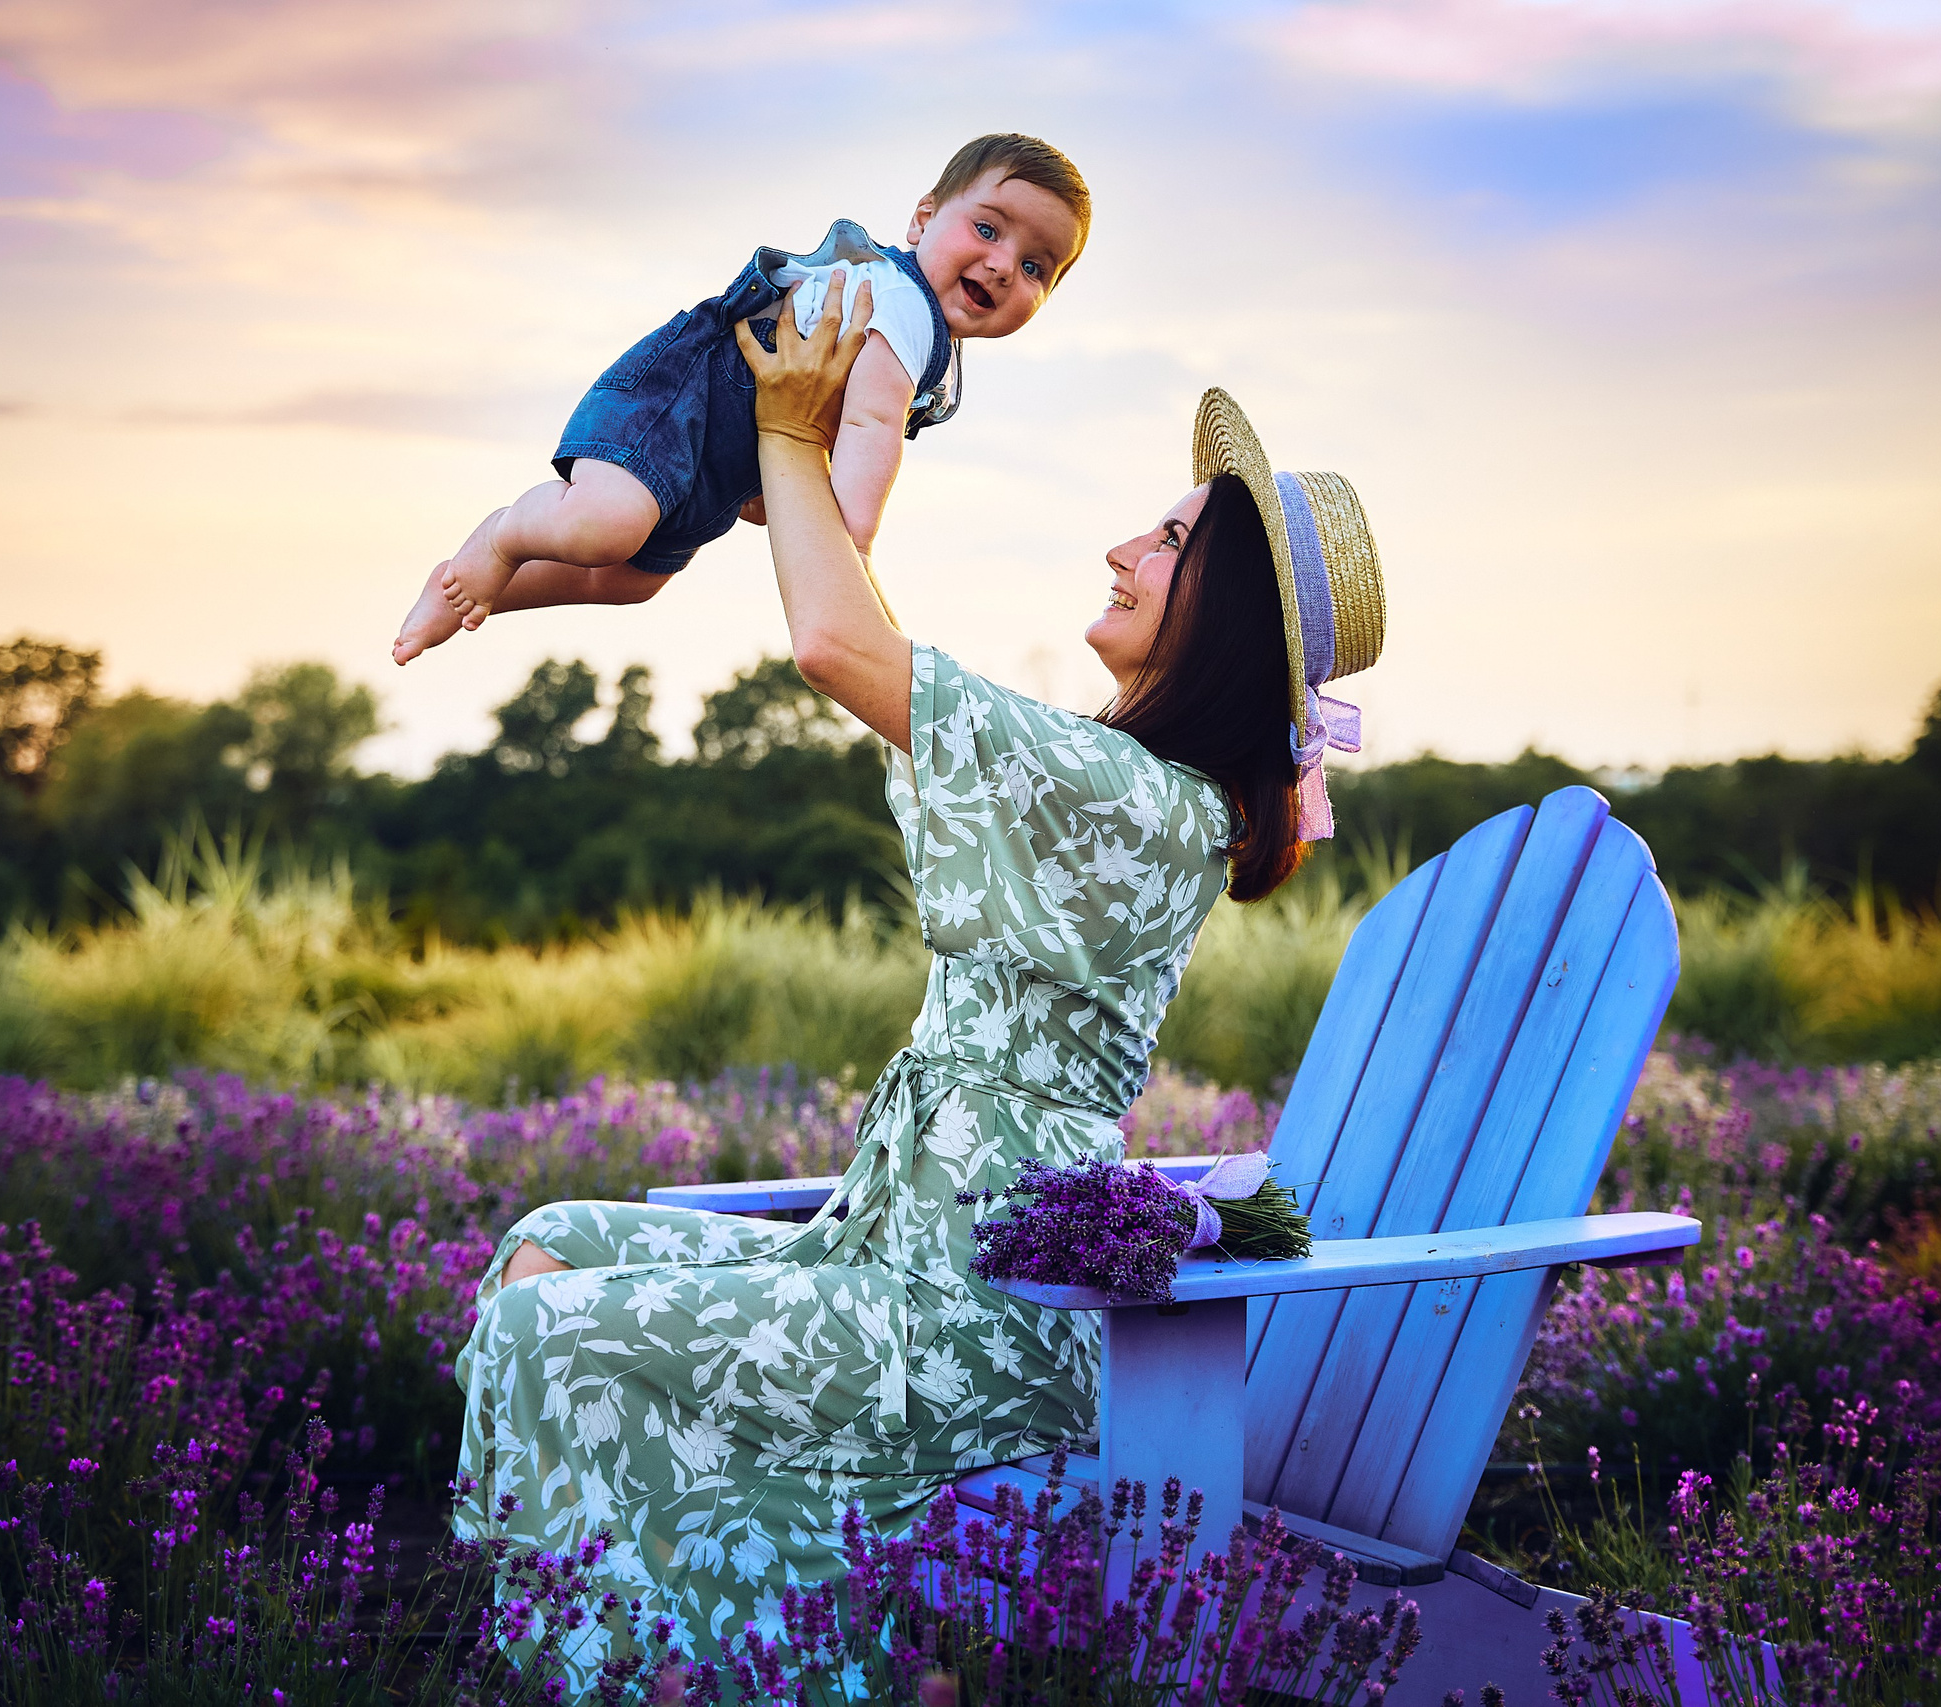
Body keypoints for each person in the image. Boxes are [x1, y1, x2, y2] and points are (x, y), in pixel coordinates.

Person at [449, 275, 1386, 1663]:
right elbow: (881, 671)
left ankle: (644, 1659)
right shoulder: (1108, 779)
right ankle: (689, 1639)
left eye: (1171, 538)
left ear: (1229, 612)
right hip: (889, 1252)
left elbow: (839, 645)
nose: (1124, 546)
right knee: (549, 1242)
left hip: (970, 1319)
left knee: (554, 1336)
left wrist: (790, 436)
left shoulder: (1140, 798)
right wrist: (820, 473)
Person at [390, 134, 1092, 667]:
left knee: (631, 580)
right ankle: (499, 538)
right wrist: (849, 543)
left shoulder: (933, 353)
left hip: (724, 467)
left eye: (1036, 267)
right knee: (606, 526)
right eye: (989, 229)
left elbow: (826, 431)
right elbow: (869, 421)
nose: (1004, 265)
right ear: (922, 219)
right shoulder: (901, 306)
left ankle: (475, 588)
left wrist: (775, 496)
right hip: (682, 401)